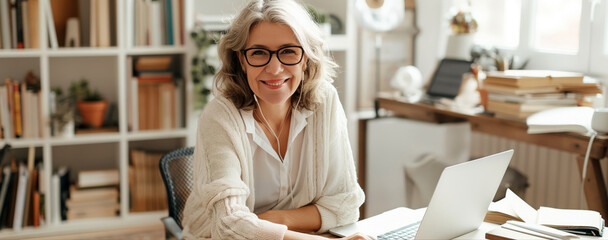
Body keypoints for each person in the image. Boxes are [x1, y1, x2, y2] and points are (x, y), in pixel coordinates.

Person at [181, 0, 367, 239]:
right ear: (241, 59)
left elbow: (345, 206)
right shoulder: (220, 116)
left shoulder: (325, 102)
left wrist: (276, 219)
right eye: (259, 53)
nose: (275, 68)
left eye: (288, 51)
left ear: (306, 57)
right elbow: (228, 227)